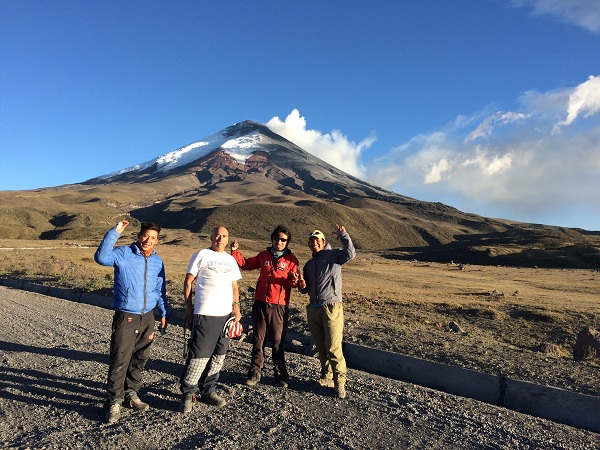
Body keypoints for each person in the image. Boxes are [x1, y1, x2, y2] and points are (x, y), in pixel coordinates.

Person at [94, 220, 170, 424]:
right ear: (139, 235)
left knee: (139, 358)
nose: (148, 240)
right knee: (120, 359)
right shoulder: (124, 254)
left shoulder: (157, 261)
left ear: (157, 240)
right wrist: (115, 232)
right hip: (126, 315)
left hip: (148, 316)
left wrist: (164, 312)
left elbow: (160, 289)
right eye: (145, 235)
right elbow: (101, 258)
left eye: (153, 237)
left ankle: (131, 394)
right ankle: (114, 401)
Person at [179, 225, 242, 413]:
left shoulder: (230, 259)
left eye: (224, 236)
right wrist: (189, 308)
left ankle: (209, 390)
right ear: (211, 237)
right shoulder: (201, 255)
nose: (220, 239)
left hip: (225, 315)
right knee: (199, 356)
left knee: (218, 356)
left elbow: (234, 286)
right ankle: (188, 393)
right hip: (205, 313)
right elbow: (188, 281)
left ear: (227, 238)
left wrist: (236, 307)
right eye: (217, 235)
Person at [230, 225, 300, 388]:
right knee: (258, 339)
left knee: (277, 341)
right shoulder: (264, 255)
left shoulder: (292, 260)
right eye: (277, 239)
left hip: (279, 306)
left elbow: (294, 283)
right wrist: (235, 252)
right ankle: (255, 372)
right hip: (260, 303)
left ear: (287, 242)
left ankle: (280, 375)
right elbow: (246, 264)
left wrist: (293, 279)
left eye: (283, 240)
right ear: (272, 239)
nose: (280, 242)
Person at [297, 224, 356, 399]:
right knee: (321, 347)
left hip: (331, 307)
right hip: (314, 308)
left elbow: (351, 254)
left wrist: (343, 235)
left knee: (333, 347)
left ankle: (340, 383)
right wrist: (301, 285)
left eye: (317, 240)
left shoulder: (334, 255)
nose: (314, 243)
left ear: (323, 242)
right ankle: (326, 376)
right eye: (311, 241)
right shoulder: (309, 265)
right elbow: (305, 290)